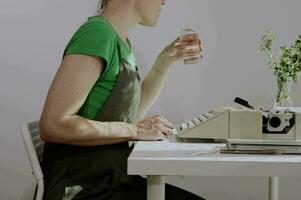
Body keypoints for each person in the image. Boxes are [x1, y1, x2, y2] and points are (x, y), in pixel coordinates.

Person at [39, 0, 204, 199]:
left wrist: (165, 60)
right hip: (86, 189)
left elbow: (130, 115)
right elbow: (54, 125)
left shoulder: (120, 41)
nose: (164, 1)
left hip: (113, 180)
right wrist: (136, 130)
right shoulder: (97, 34)